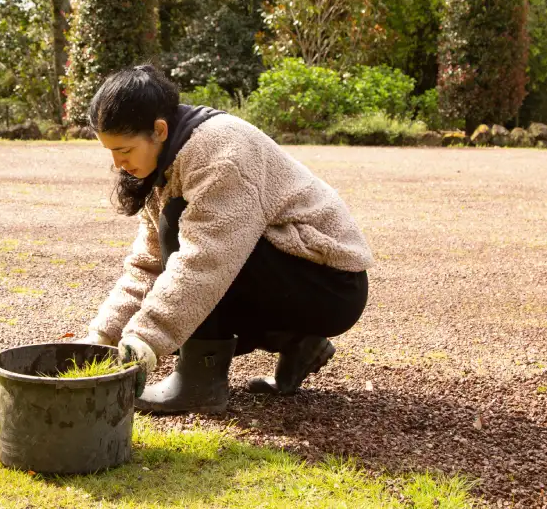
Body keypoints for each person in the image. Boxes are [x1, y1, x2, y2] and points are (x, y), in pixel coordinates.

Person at [82, 65, 372, 414]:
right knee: (169, 308)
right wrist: (104, 335)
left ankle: (198, 385)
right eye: (110, 151)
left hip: (331, 286)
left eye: (124, 150)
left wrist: (146, 337)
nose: (118, 163)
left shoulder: (220, 153)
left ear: (158, 130)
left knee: (178, 242)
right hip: (290, 277)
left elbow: (205, 260)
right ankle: (299, 343)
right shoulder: (167, 161)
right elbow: (149, 263)